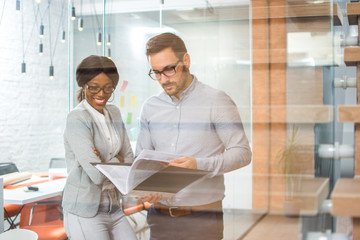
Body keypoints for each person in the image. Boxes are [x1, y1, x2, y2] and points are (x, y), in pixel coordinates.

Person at [136, 32, 252, 240]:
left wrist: (198, 165)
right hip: (159, 219)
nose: (163, 79)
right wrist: (146, 188)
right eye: (156, 73)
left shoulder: (217, 101)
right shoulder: (150, 108)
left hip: (202, 220)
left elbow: (242, 153)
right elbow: (142, 160)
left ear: (186, 61)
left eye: (169, 69)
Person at [62, 55, 137, 240]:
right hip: (84, 209)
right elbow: (96, 175)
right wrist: (115, 159)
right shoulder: (77, 118)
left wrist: (103, 161)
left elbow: (129, 159)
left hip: (113, 206)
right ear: (84, 86)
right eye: (94, 87)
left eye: (108, 88)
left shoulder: (114, 112)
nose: (102, 94)